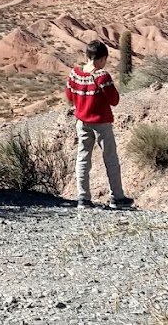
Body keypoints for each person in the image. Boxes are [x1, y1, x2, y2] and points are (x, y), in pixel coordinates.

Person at [65, 39, 134, 210]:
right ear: (102, 59)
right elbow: (114, 100)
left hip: (82, 121)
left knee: (82, 159)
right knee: (110, 159)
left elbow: (69, 97)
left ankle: (83, 198)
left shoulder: (74, 74)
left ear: (87, 55)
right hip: (101, 122)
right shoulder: (101, 76)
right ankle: (117, 198)